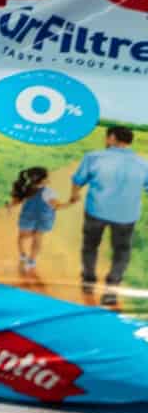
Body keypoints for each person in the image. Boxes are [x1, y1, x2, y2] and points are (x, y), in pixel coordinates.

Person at [72, 125, 148, 304]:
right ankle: (111, 290)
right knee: (121, 251)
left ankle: (89, 280)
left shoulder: (94, 157)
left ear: (112, 138)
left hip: (96, 211)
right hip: (126, 215)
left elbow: (78, 180)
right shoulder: (143, 163)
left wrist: (74, 195)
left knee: (90, 245)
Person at [12, 166, 70, 274]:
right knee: (37, 239)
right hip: (43, 219)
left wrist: (10, 205)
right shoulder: (49, 192)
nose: (50, 178)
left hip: (28, 217)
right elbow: (57, 206)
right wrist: (70, 203)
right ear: (42, 180)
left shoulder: (26, 189)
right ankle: (32, 261)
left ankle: (23, 256)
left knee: (22, 237)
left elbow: (16, 201)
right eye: (48, 176)